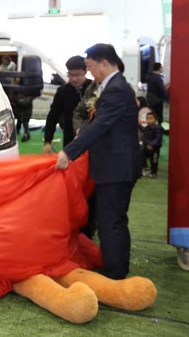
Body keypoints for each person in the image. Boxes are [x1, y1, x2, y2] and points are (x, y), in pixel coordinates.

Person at [56, 43, 140, 280]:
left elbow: (102, 124)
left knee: (111, 222)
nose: (90, 73)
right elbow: (96, 121)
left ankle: (115, 273)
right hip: (113, 165)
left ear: (104, 63)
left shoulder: (116, 89)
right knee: (109, 220)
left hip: (117, 168)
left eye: (91, 67)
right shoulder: (111, 86)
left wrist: (69, 152)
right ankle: (114, 266)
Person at [43, 56, 92, 153]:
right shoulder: (63, 91)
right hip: (70, 139)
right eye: (70, 75)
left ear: (85, 71)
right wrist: (47, 141)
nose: (74, 79)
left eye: (78, 75)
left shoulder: (94, 88)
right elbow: (53, 117)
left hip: (93, 138)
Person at [141, 112, 164, 178]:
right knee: (141, 155)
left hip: (155, 149)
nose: (148, 120)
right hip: (147, 147)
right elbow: (145, 137)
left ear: (155, 120)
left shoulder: (158, 128)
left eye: (151, 118)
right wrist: (148, 144)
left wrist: (152, 145)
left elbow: (158, 138)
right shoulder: (146, 128)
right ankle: (145, 168)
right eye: (147, 119)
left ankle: (154, 172)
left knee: (154, 160)